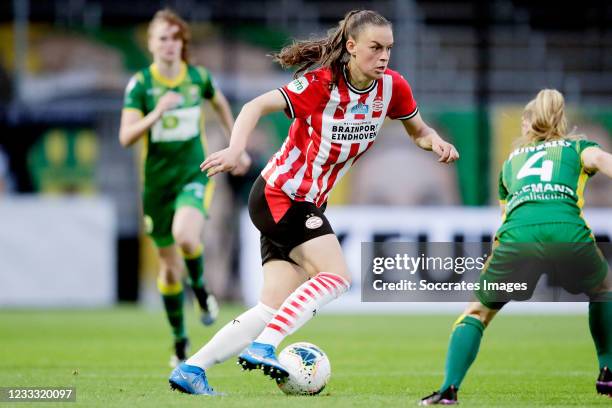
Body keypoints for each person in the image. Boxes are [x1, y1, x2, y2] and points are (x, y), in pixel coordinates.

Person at [168, 9, 459, 395]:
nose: (384, 56)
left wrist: (433, 141)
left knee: (272, 308)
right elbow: (253, 106)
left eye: (389, 48)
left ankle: (192, 369)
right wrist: (236, 149)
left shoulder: (392, 88)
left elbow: (418, 130)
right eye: (375, 47)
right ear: (351, 47)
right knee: (337, 277)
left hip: (301, 202)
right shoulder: (320, 85)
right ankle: (265, 345)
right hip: (281, 195)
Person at [420, 89, 612, 405]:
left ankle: (448, 390)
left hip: (517, 237)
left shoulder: (511, 163)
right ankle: (607, 369)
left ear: (529, 122)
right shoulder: (577, 147)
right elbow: (602, 160)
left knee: (477, 313)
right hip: (567, 231)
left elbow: (508, 215)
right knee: (603, 289)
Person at [119, 9, 250, 367]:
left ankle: (203, 292)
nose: (170, 45)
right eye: (162, 38)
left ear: (183, 44)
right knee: (169, 271)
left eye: (176, 38)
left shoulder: (197, 78)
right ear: (150, 44)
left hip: (193, 174)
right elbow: (126, 137)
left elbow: (220, 103)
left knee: (187, 237)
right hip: (157, 185)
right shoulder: (141, 85)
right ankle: (180, 341)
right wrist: (156, 112)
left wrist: (234, 144)